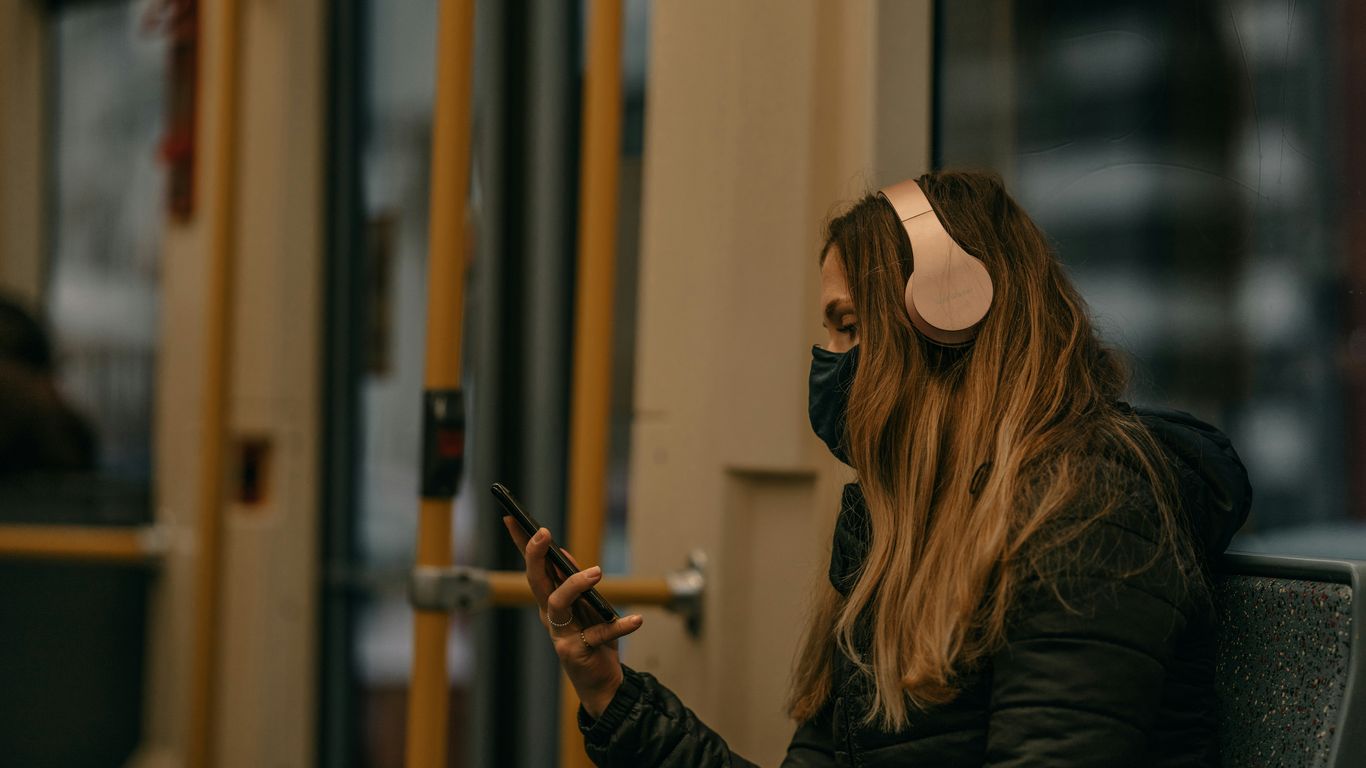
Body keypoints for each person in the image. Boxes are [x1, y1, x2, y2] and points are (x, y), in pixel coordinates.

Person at [502, 170, 1252, 766]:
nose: (829, 360)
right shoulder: (893, 527)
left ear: (949, 322)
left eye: (851, 327)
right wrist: (612, 694)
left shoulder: (1089, 507)